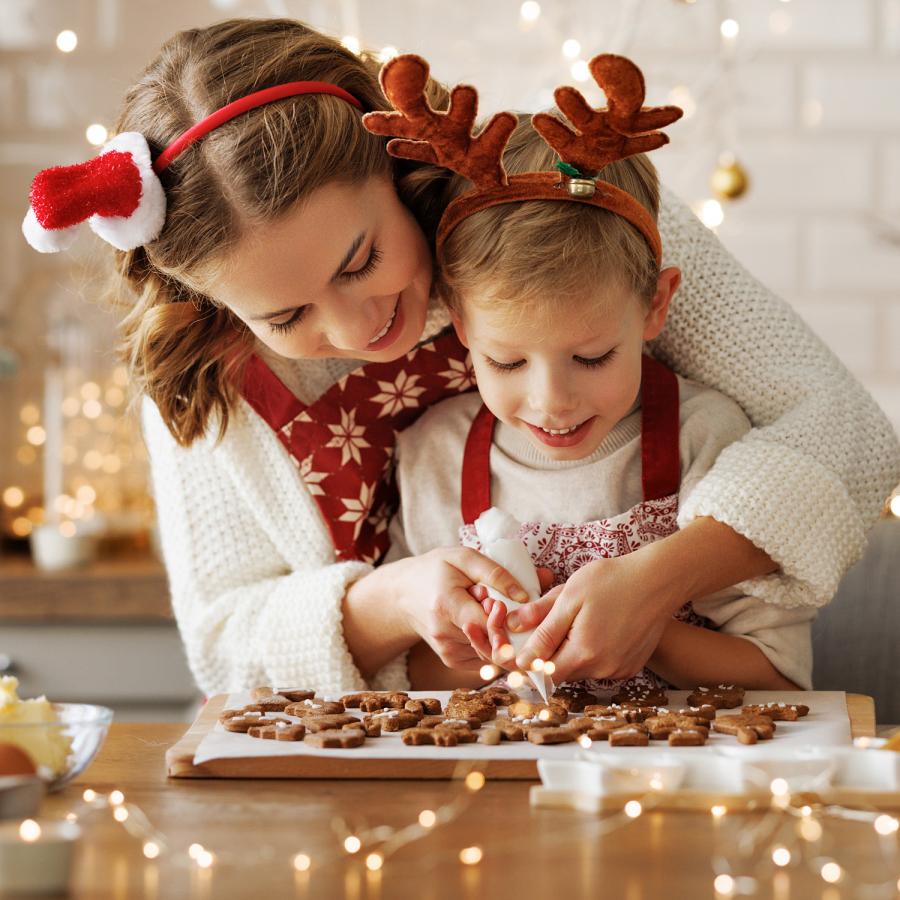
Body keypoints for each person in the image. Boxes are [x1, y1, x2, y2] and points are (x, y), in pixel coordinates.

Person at [21, 20, 899, 697]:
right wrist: (394, 602)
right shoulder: (209, 376)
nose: (357, 324)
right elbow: (224, 649)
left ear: (399, 164)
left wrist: (659, 581)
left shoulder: (558, 203)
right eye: (287, 314)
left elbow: (846, 429)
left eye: (361, 260)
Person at [381, 57, 813, 691]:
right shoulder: (434, 458)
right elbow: (402, 675)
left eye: (591, 358)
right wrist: (490, 641)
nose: (552, 401)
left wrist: (646, 626)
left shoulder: (706, 440)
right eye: (506, 361)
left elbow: (779, 678)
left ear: (655, 305)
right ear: (462, 327)